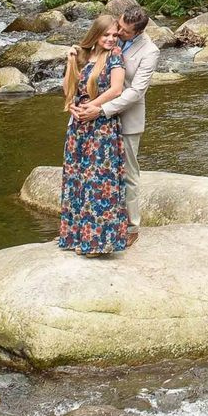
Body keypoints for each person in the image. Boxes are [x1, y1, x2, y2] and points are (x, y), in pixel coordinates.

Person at [56, 14, 137, 257]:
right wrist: (72, 104)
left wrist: (93, 106)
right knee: (77, 179)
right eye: (107, 35)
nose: (112, 39)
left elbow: (116, 89)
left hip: (101, 127)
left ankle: (99, 242)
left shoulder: (115, 56)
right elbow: (68, 89)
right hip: (78, 126)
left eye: (115, 35)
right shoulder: (81, 55)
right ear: (95, 34)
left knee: (99, 183)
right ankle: (75, 235)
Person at [98, 0, 164, 223]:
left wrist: (103, 109)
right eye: (119, 25)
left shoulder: (150, 52)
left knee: (128, 174)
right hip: (101, 119)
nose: (118, 33)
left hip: (127, 119)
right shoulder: (113, 34)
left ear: (138, 32)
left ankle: (132, 226)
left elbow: (136, 92)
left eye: (125, 31)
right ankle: (107, 221)